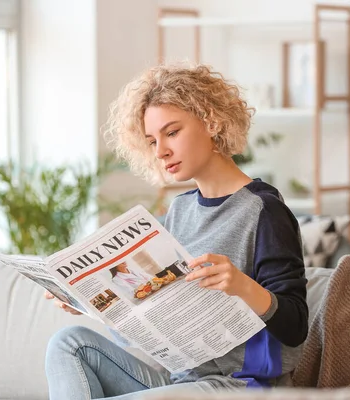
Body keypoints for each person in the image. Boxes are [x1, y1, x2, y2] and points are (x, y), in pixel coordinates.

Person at [44, 63, 308, 400]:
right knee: (68, 343)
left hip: (237, 387)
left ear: (211, 122)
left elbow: (296, 325)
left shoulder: (263, 210)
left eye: (172, 132)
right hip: (179, 382)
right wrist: (87, 301)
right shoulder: (180, 210)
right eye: (152, 140)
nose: (160, 151)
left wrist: (242, 285)